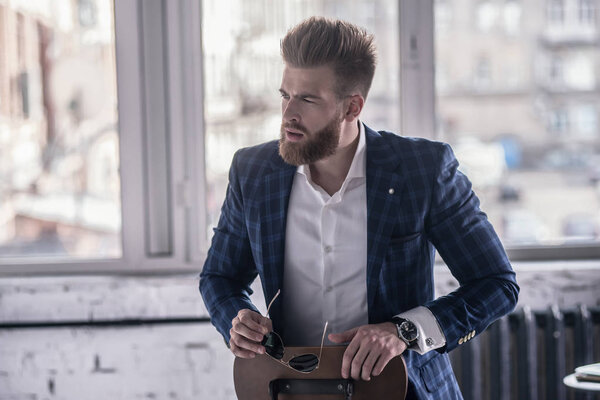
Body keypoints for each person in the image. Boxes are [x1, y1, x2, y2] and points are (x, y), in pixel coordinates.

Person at [200, 16, 519, 399]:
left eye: (308, 99)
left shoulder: (424, 169)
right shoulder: (253, 173)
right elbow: (219, 277)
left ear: (352, 107)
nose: (287, 115)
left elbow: (497, 285)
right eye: (285, 95)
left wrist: (403, 331)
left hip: (405, 389)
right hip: (287, 389)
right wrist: (236, 319)